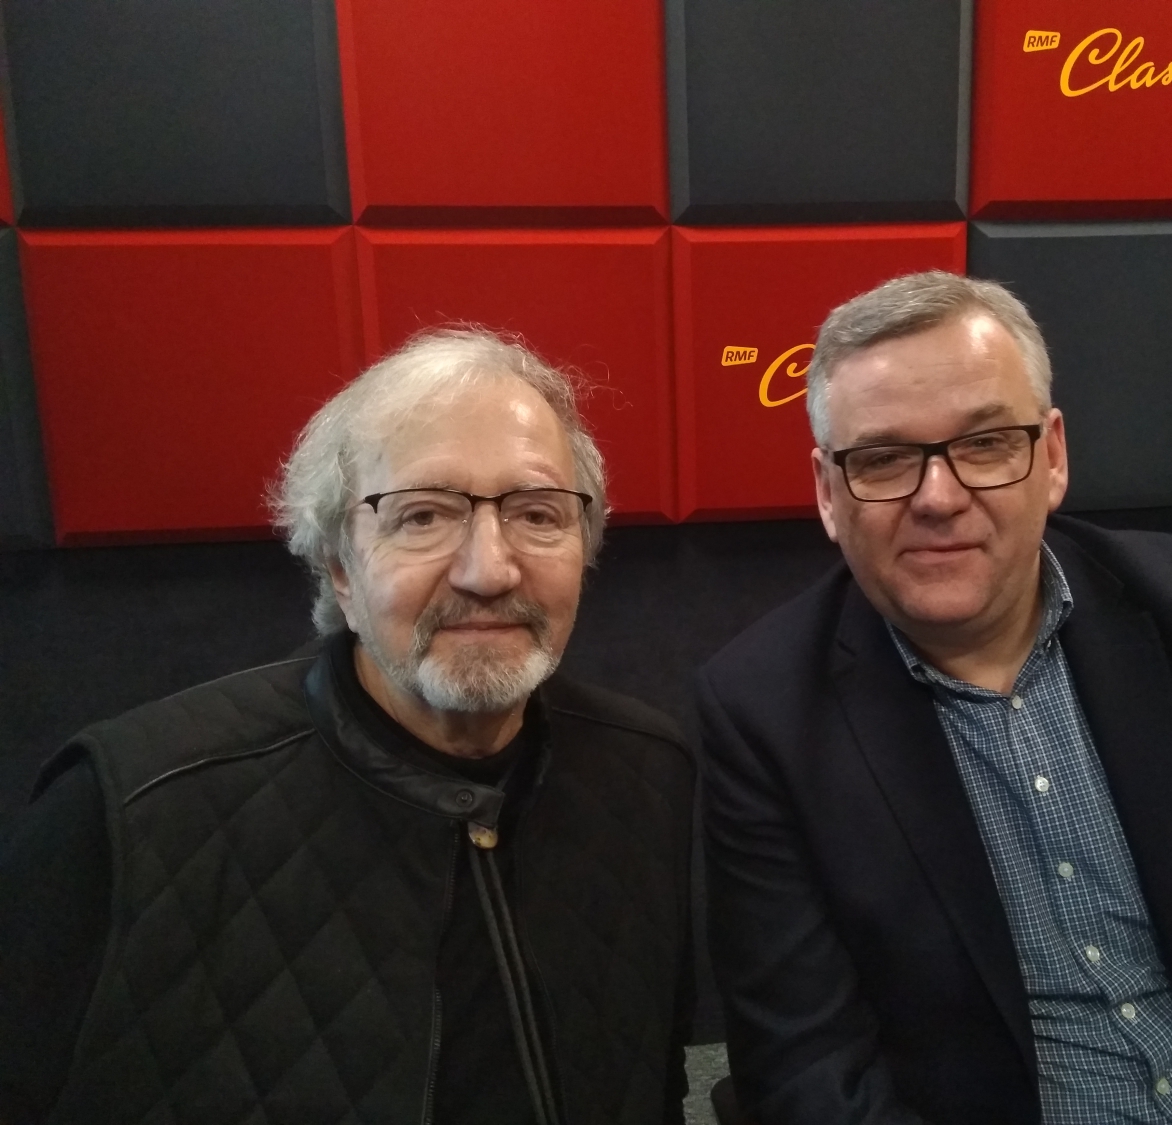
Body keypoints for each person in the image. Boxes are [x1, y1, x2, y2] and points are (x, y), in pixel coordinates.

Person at [697, 272, 1172, 1125]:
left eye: (986, 443)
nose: (938, 497)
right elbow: (811, 1073)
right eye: (883, 459)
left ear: (1051, 456)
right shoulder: (764, 715)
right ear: (828, 493)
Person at [0, 328, 696, 1125]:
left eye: (537, 513)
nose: (489, 570)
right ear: (339, 566)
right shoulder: (127, 810)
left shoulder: (650, 776)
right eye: (423, 515)